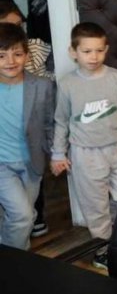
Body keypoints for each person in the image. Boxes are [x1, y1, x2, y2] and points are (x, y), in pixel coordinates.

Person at [50, 22, 117, 269]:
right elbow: (61, 120)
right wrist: (58, 153)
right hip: (84, 155)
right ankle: (102, 250)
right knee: (95, 206)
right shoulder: (68, 84)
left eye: (99, 50)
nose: (94, 57)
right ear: (74, 52)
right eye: (87, 51)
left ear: (106, 49)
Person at [0, 22, 54, 250]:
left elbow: (50, 124)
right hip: (2, 165)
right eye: (1, 56)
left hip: (32, 163)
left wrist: (56, 154)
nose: (10, 62)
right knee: (23, 216)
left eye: (17, 54)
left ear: (27, 55)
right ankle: (14, 263)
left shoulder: (42, 85)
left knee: (23, 215)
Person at [0, 1, 52, 79]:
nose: (16, 31)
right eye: (9, 28)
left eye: (19, 25)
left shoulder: (35, 48)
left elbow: (47, 80)